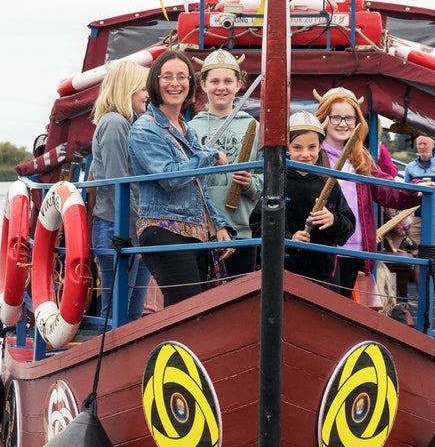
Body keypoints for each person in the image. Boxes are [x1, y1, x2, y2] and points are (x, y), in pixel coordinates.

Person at [127, 50, 235, 305]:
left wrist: (218, 225)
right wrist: (210, 156)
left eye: (181, 77)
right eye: (167, 77)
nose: (175, 83)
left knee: (193, 310)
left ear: (190, 83)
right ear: (155, 81)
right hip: (162, 228)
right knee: (186, 309)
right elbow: (170, 178)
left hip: (195, 231)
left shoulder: (187, 129)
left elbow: (199, 185)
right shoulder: (144, 128)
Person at [313, 87, 428, 300]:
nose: (343, 123)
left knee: (343, 305)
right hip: (324, 244)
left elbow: (386, 189)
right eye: (336, 117)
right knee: (324, 304)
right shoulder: (313, 156)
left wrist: (418, 189)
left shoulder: (360, 159)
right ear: (324, 119)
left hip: (354, 246)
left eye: (349, 118)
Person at [250, 111, 354, 288]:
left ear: (321, 146)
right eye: (297, 147)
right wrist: (289, 238)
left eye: (312, 147)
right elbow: (259, 227)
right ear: (287, 148)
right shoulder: (275, 183)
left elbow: (347, 229)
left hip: (322, 274)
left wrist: (333, 220)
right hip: (282, 273)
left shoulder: (329, 182)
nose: (305, 154)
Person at [89, 59, 153, 326]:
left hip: (130, 224)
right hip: (118, 226)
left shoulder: (130, 124)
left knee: (131, 315)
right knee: (117, 313)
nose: (148, 95)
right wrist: (134, 230)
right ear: (127, 89)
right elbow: (119, 182)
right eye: (142, 89)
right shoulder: (115, 124)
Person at [187, 49, 262, 277]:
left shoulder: (255, 127)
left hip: (242, 229)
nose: (222, 87)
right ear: (203, 85)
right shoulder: (189, 128)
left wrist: (250, 183)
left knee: (238, 301)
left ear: (239, 84)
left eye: (228, 81)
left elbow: (266, 177)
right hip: (200, 229)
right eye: (215, 81)